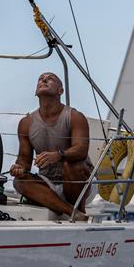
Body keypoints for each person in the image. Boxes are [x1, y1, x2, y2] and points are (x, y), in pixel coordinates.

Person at [10, 72, 93, 221]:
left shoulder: (75, 117)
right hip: (47, 182)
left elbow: (81, 150)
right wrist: (18, 169)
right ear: (36, 92)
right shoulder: (26, 123)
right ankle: (73, 213)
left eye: (51, 78)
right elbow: (24, 161)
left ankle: (80, 207)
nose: (44, 79)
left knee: (71, 165)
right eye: (40, 78)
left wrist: (58, 155)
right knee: (19, 182)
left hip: (80, 181)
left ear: (60, 91)